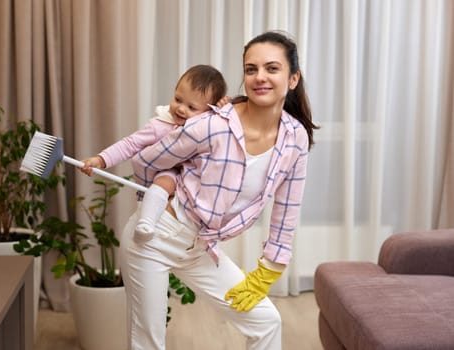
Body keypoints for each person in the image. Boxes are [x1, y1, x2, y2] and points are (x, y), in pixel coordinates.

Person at [120, 31, 319, 350]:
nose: (260, 77)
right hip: (155, 237)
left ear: (293, 78)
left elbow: (287, 209)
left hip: (201, 248)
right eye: (251, 69)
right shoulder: (213, 125)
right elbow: (145, 160)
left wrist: (268, 270)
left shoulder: (295, 139)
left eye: (272, 68)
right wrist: (163, 189)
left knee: (266, 322)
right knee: (149, 342)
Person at [80, 64, 228, 243]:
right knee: (166, 178)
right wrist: (101, 159)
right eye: (178, 99)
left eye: (191, 107)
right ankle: (146, 223)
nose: (181, 109)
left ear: (208, 112)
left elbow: (226, 126)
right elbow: (130, 144)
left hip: (194, 192)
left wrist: (224, 108)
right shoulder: (160, 125)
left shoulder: (207, 129)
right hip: (164, 178)